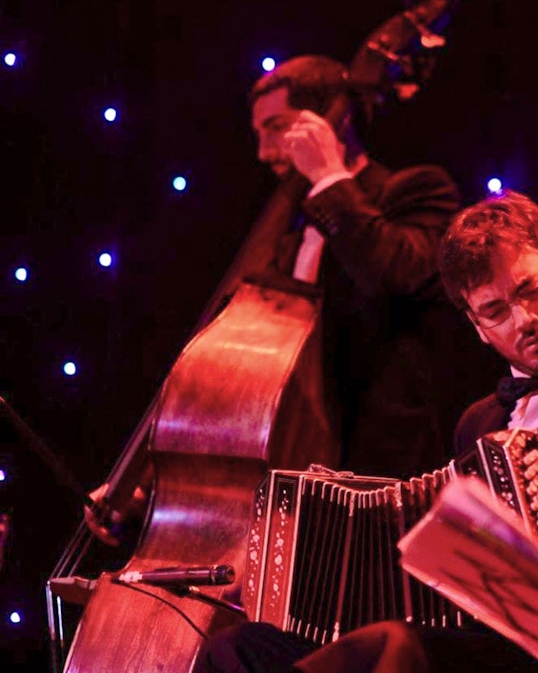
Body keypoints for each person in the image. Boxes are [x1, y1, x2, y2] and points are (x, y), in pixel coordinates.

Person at [195, 190, 538, 672]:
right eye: (495, 311)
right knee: (239, 649)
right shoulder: (478, 423)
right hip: (493, 649)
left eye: (530, 289)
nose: (523, 320)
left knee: (397, 648)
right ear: (477, 327)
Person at [85, 54, 488, 543]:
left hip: (382, 481)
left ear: (328, 122)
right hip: (290, 490)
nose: (262, 151)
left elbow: (395, 272)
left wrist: (330, 177)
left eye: (275, 128)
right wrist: (148, 487)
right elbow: (233, 382)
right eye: (257, 134)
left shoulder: (417, 190)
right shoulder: (285, 234)